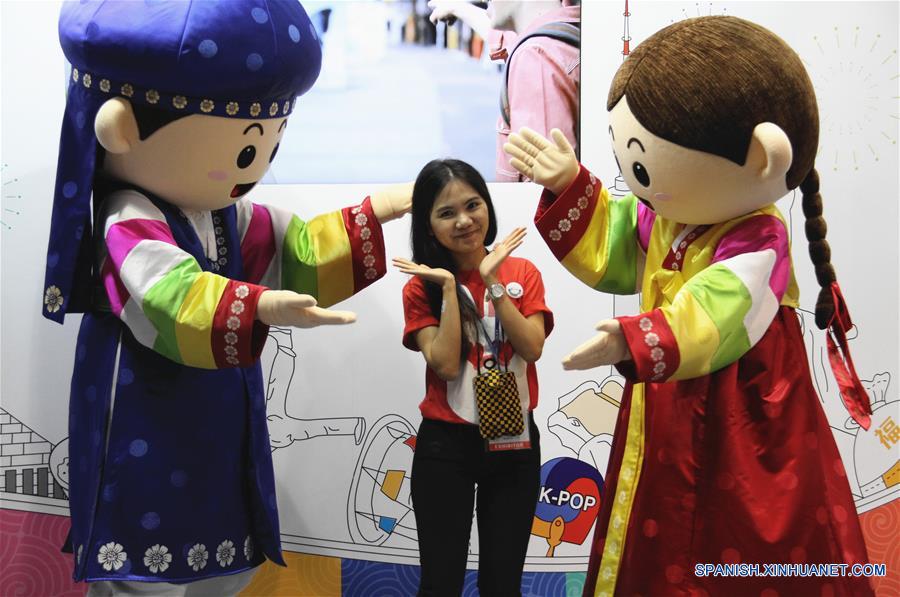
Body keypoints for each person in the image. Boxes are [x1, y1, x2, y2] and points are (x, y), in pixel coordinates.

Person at [41, 1, 411, 594]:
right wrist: (259, 305)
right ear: (120, 128)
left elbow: (295, 247)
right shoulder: (127, 216)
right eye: (245, 149)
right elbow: (167, 293)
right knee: (142, 559)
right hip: (142, 406)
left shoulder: (222, 212)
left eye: (268, 144)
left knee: (222, 551)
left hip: (213, 408)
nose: (255, 166)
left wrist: (375, 214)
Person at [504, 16, 873, 597]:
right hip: (673, 400)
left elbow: (718, 308)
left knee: (735, 535)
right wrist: (572, 184)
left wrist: (636, 339)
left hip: (741, 419)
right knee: (664, 527)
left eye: (643, 167)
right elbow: (619, 243)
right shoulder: (671, 215)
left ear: (761, 156)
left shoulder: (759, 240)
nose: (634, 180)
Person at [393, 159, 553, 595]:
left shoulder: (522, 273)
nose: (464, 221)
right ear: (428, 226)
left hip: (514, 441)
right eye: (446, 213)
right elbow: (444, 366)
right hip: (446, 444)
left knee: (502, 585)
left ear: (487, 206)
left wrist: (492, 282)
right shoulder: (421, 286)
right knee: (440, 582)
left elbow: (532, 347)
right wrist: (449, 289)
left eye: (473, 205)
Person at [427, 0, 580, 182]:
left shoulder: (535, 58)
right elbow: (513, 42)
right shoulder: (558, 38)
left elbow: (544, 190)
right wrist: (460, 8)